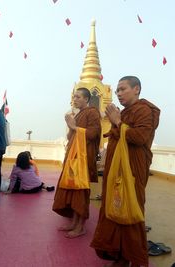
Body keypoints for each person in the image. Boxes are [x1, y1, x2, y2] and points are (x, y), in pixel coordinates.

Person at [91, 76, 160, 267]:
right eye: (117, 91)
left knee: (131, 210)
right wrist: (116, 122)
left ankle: (134, 257)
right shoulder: (125, 112)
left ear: (136, 89)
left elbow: (139, 137)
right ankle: (120, 255)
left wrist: (118, 122)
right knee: (115, 208)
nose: (119, 94)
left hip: (132, 171)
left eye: (123, 89)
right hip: (116, 171)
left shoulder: (145, 110)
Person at [52, 87, 101, 238]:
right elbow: (70, 136)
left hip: (83, 158)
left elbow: (93, 134)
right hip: (73, 157)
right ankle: (74, 222)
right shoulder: (79, 114)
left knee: (80, 191)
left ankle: (81, 227)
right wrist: (71, 126)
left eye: (78, 97)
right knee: (72, 189)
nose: (75, 99)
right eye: (74, 96)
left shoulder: (92, 112)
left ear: (87, 99)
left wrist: (74, 126)